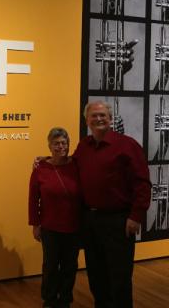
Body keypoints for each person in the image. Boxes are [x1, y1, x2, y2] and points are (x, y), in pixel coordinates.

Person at [73, 100, 151, 308]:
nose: (98, 119)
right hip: (91, 220)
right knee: (96, 275)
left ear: (110, 118)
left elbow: (142, 184)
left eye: (103, 115)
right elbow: (70, 169)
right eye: (94, 116)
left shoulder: (127, 145)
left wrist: (135, 217)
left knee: (119, 276)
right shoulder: (83, 146)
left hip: (118, 221)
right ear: (87, 120)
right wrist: (47, 160)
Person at [29, 127, 82, 308]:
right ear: (49, 146)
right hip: (50, 226)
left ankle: (65, 299)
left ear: (68, 144)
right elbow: (33, 198)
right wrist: (35, 224)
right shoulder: (40, 168)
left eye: (64, 143)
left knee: (70, 266)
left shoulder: (76, 165)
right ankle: (50, 300)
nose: (61, 146)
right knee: (50, 266)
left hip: (74, 226)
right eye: (56, 143)